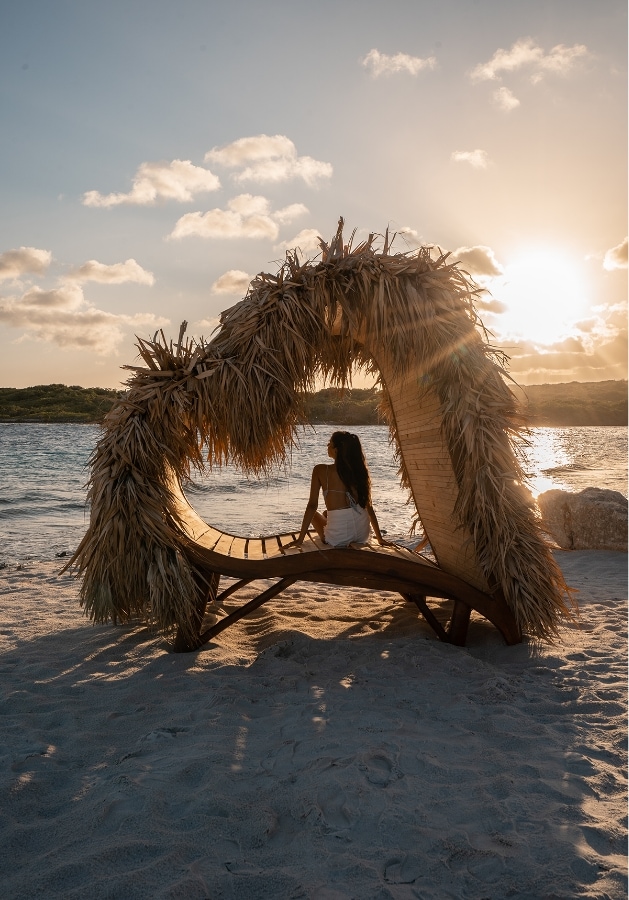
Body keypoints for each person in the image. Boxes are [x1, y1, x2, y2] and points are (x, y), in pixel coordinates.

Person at [287, 431, 388, 548]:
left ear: (337, 450)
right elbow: (369, 507)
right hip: (362, 534)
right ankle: (342, 526)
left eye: (330, 444)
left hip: (339, 538)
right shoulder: (360, 470)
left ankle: (335, 529)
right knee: (326, 513)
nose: (327, 446)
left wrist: (300, 539)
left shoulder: (320, 470)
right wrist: (380, 538)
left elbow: (312, 505)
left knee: (314, 514)